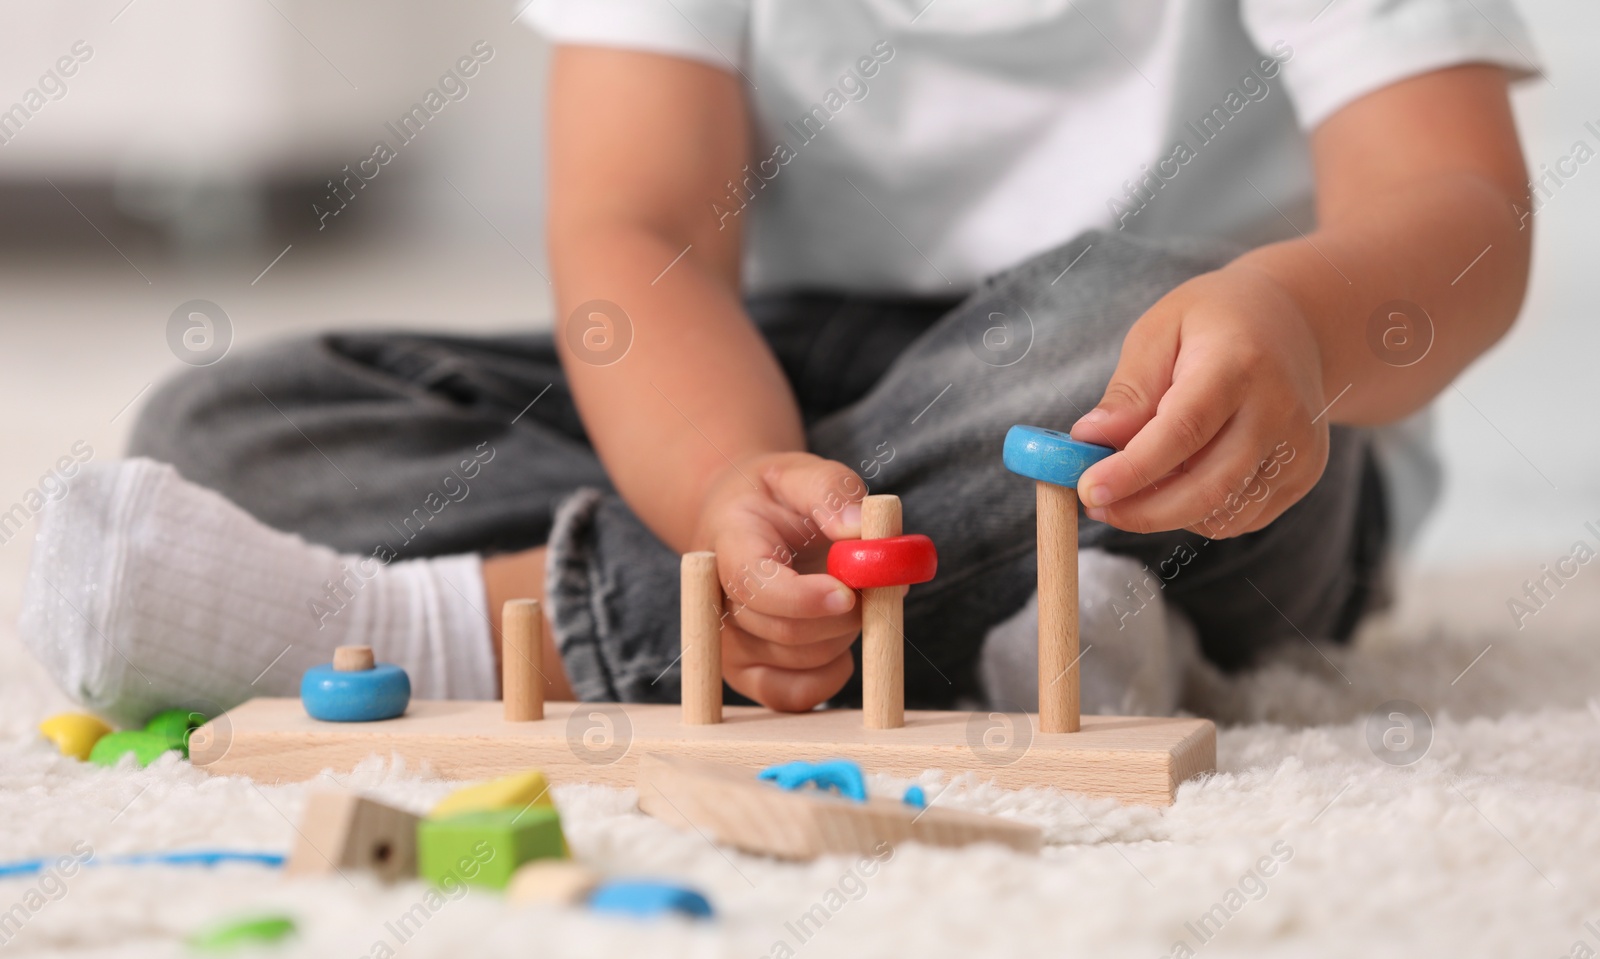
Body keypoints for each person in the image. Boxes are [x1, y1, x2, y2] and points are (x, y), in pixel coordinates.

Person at [22, 0, 1538, 725]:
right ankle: (954, 624)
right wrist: (721, 485)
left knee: (1107, 329)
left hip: (1186, 430)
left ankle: (491, 629)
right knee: (234, 423)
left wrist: (1297, 328)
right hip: (781, 383)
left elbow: (1460, 217)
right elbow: (640, 240)